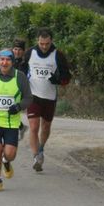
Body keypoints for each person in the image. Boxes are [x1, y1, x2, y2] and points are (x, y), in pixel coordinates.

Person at [0, 49, 32, 191]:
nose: (4, 62)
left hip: (11, 121)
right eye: (2, 59)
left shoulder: (20, 77)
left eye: (8, 60)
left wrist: (19, 106)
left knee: (10, 154)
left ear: (12, 62)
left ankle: (6, 161)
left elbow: (28, 98)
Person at [21, 28, 71, 172]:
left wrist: (59, 80)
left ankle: (41, 149)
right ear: (38, 41)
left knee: (46, 127)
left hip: (49, 97)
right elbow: (22, 72)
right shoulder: (30, 53)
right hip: (33, 95)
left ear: (51, 41)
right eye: (42, 43)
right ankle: (36, 156)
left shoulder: (58, 55)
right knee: (34, 126)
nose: (44, 46)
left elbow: (67, 77)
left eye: (47, 44)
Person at [12, 38, 28, 141]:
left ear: (23, 51)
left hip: (20, 91)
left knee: (12, 110)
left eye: (19, 50)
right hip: (9, 89)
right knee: (9, 110)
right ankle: (21, 127)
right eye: (15, 49)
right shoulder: (9, 60)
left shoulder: (26, 63)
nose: (17, 52)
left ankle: (19, 128)